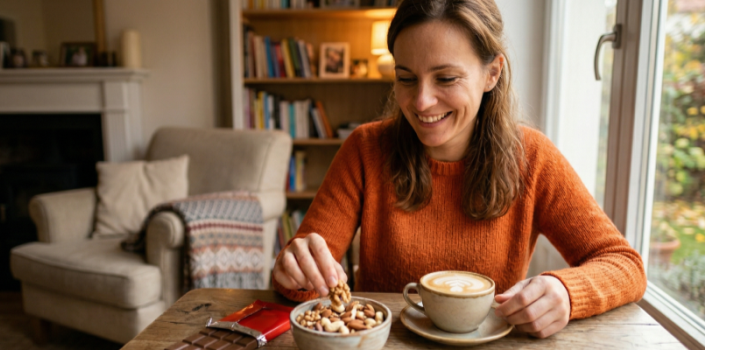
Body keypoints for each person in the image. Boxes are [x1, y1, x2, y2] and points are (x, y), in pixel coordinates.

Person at [270, 0, 646, 339]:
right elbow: (301, 283)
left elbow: (625, 265)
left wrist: (566, 292)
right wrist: (295, 268)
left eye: (446, 78)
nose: (421, 101)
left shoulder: (533, 158)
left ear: (492, 73)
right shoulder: (365, 149)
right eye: (406, 78)